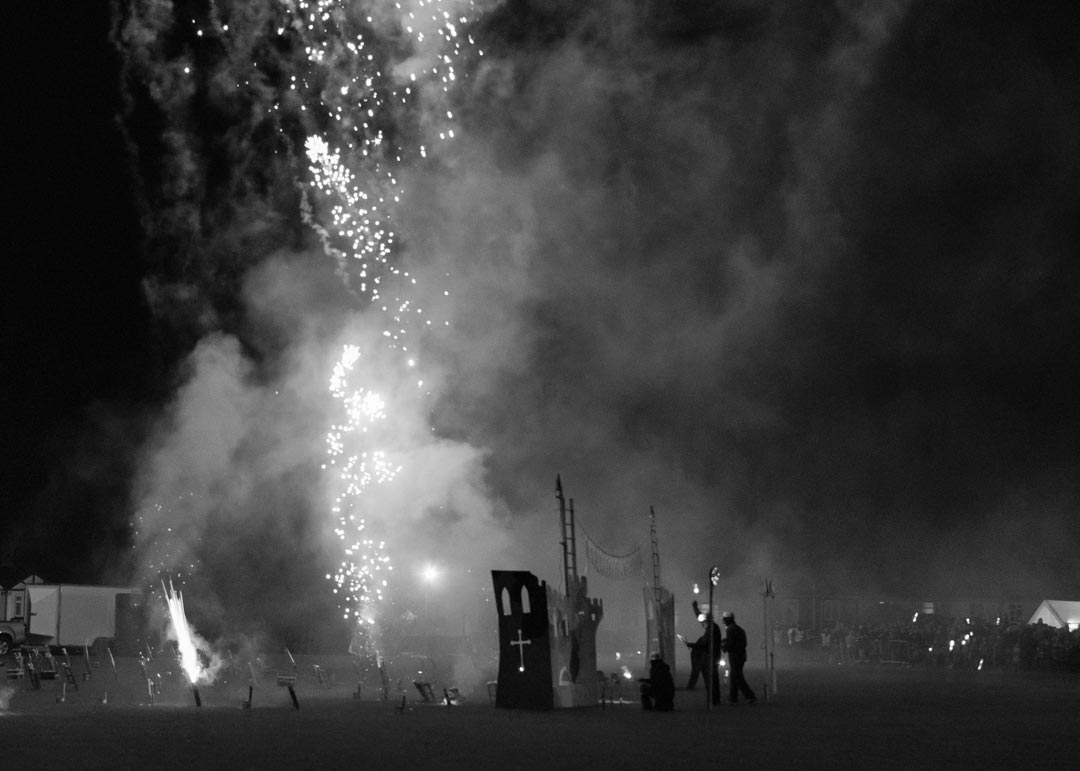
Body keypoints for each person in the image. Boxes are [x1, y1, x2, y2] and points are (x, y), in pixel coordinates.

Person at [686, 601, 723, 704]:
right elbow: (699, 617)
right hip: (711, 656)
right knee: (711, 678)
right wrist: (695, 608)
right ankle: (714, 698)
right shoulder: (711, 627)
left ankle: (714, 699)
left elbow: (705, 645)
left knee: (711, 679)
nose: (702, 624)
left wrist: (692, 645)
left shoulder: (711, 629)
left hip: (711, 657)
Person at [721, 610, 756, 704]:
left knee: (737, 677)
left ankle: (750, 696)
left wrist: (723, 646)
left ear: (727, 620)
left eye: (724, 620)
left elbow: (730, 643)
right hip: (741, 656)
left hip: (735, 656)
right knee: (734, 677)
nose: (723, 622)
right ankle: (733, 698)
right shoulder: (738, 628)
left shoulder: (730, 629)